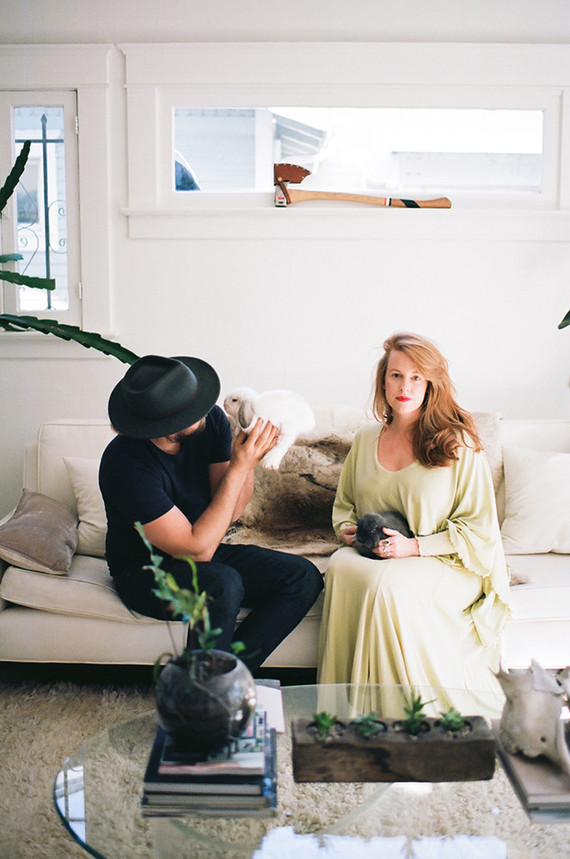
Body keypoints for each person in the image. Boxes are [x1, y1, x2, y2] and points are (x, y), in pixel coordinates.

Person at [317, 332, 510, 716]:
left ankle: (400, 715)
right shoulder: (365, 440)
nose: (405, 387)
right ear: (382, 380)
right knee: (340, 565)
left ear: (431, 384)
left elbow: (479, 529)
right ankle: (347, 709)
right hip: (382, 555)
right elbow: (345, 506)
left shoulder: (457, 443)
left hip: (448, 561)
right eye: (396, 376)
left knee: (387, 585)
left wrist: (414, 547)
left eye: (417, 377)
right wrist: (348, 531)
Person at [99, 354, 323, 672]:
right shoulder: (125, 464)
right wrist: (240, 467)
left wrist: (246, 457)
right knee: (221, 583)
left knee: (302, 577)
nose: (203, 409)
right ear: (162, 423)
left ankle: (226, 678)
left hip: (205, 548)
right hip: (145, 572)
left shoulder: (211, 422)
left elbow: (233, 510)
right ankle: (205, 700)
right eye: (192, 409)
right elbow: (198, 550)